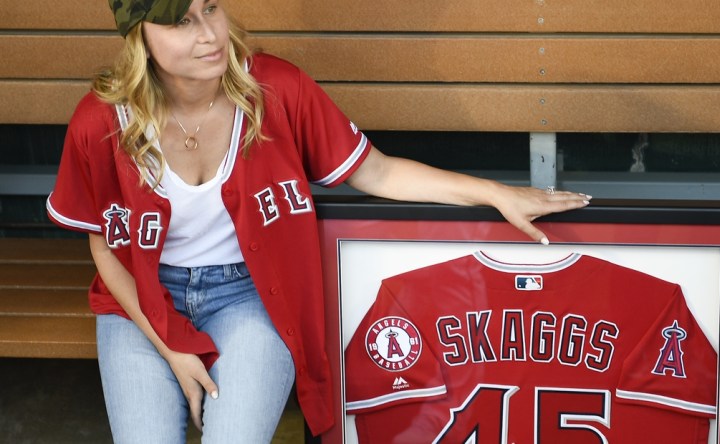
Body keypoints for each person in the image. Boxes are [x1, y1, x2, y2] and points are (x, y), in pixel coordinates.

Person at [46, 0, 590, 442]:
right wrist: (172, 346)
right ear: (140, 36)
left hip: (251, 295)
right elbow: (105, 249)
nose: (209, 33)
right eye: (182, 21)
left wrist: (496, 194)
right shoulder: (99, 121)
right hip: (141, 301)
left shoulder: (276, 90)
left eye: (211, 8)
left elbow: (377, 172)